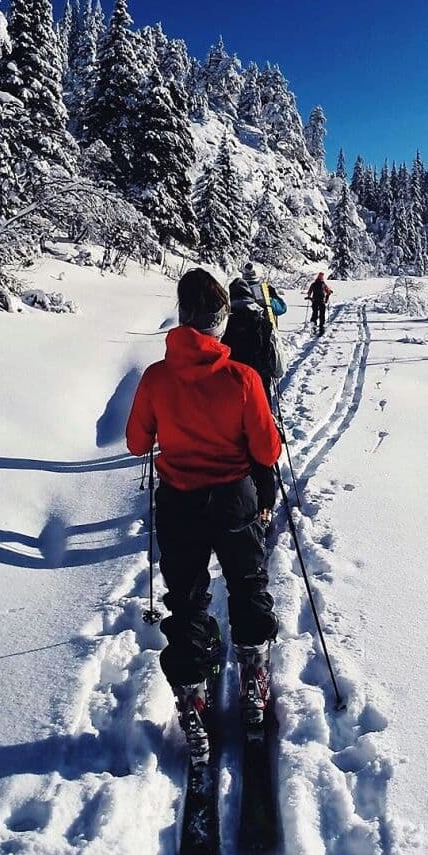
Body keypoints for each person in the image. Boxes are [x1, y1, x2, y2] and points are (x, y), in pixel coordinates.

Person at [126, 269, 281, 767]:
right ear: (220, 322)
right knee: (247, 586)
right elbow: (267, 450)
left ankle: (192, 699)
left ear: (182, 316)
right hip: (234, 499)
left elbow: (136, 443)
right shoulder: (242, 377)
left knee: (188, 602)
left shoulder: (156, 377)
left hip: (179, 504)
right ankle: (254, 682)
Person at [225, 275, 283, 406]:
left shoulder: (223, 327)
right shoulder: (265, 324)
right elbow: (278, 367)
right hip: (260, 389)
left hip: (230, 392)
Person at [306, 271, 333, 336]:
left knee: (314, 313)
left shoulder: (313, 284)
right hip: (321, 301)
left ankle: (313, 326)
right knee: (322, 314)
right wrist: (329, 293)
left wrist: (309, 296)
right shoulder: (323, 284)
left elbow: (309, 292)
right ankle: (321, 327)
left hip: (314, 301)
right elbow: (328, 291)